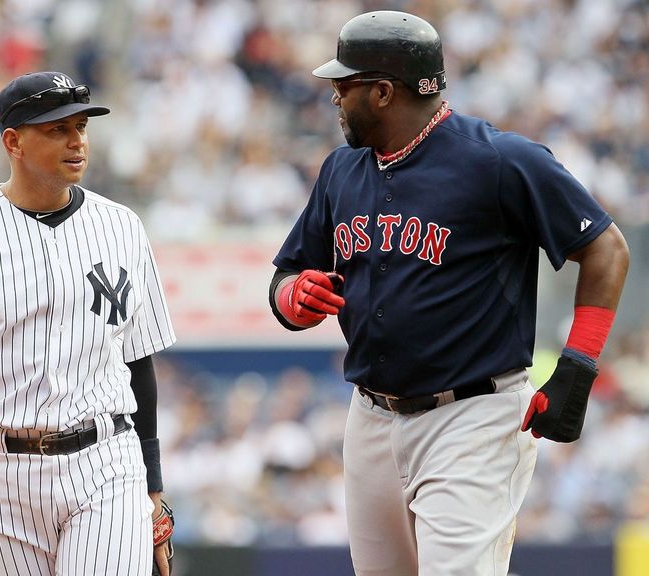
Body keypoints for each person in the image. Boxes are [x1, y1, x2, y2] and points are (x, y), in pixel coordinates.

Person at [268, 11, 629, 576]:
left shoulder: (500, 160)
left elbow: (606, 249)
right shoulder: (341, 169)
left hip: (472, 417)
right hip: (370, 417)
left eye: (345, 86)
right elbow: (289, 275)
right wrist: (291, 296)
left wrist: (577, 366)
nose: (334, 98)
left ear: (383, 92)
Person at [0, 71, 177, 576]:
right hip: (1, 470)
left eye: (81, 127)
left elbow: (139, 363)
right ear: (13, 141)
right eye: (56, 129)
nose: (77, 141)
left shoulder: (122, 227)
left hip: (105, 461)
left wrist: (153, 491)